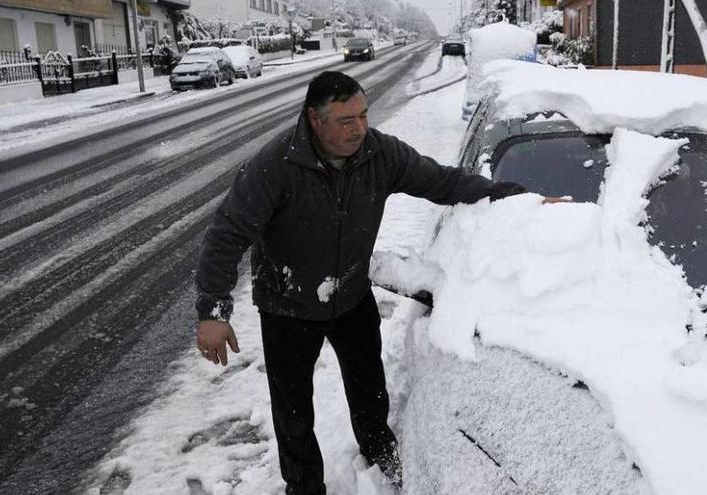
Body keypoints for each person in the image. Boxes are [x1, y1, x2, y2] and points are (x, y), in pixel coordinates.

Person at [195, 71, 555, 494]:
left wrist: (513, 195)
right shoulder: (277, 166)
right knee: (293, 412)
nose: (359, 129)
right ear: (315, 119)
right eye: (346, 121)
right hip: (287, 305)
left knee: (369, 388)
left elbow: (441, 180)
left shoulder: (377, 153)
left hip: (349, 293)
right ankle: (305, 487)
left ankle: (380, 452)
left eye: (363, 116)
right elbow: (227, 233)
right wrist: (213, 311)